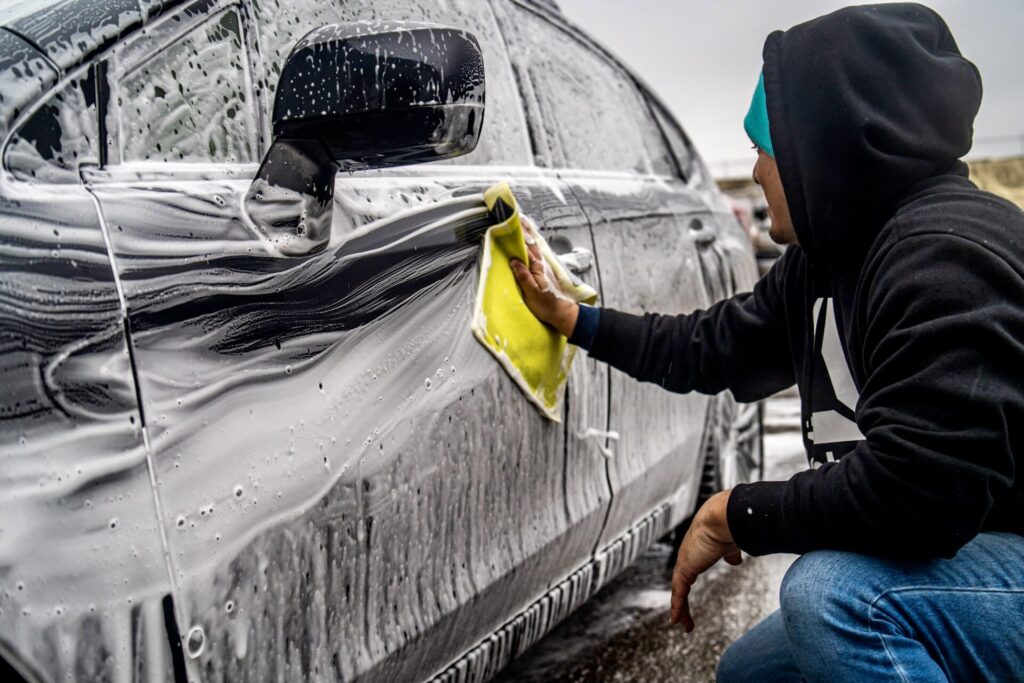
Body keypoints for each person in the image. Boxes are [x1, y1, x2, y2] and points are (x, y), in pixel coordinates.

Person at [510, 3, 1024, 681]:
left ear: (823, 147)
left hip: (1004, 559)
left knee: (833, 597)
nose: (755, 173)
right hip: (967, 560)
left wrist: (736, 513)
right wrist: (575, 320)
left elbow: (921, 493)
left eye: (762, 148)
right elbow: (711, 346)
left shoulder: (947, 255)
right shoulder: (824, 259)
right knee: (752, 672)